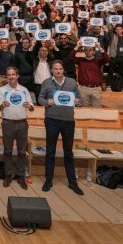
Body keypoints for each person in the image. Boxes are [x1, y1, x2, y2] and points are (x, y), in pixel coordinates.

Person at [38, 60, 83, 195]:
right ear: (52, 70)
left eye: (60, 69)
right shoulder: (46, 82)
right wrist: (47, 102)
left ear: (63, 70)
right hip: (51, 120)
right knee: (50, 152)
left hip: (68, 121)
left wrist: (77, 101)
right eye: (55, 69)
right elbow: (40, 98)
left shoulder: (72, 82)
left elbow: (80, 99)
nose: (58, 71)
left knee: (68, 152)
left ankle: (72, 182)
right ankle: (48, 180)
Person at [0, 67, 34, 189]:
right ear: (7, 77)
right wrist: (3, 105)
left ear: (17, 76)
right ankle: (8, 175)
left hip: (22, 123)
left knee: (22, 151)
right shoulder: (2, 90)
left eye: (13, 74)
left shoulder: (24, 90)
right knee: (7, 150)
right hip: (8, 123)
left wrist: (29, 106)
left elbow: (32, 107)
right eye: (9, 75)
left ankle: (21, 175)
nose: (11, 77)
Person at [70, 43, 109, 108]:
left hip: (96, 89)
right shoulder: (80, 60)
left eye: (90, 50)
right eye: (86, 50)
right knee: (84, 111)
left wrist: (99, 47)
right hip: (83, 89)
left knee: (97, 110)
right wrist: (77, 46)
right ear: (84, 51)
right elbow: (71, 57)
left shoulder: (98, 60)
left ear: (94, 51)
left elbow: (107, 59)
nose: (88, 52)